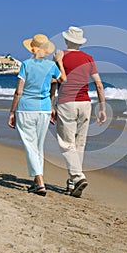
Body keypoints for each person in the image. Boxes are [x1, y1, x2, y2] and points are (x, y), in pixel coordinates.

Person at [8, 33, 66, 196]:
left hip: (26, 108)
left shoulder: (26, 64)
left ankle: (40, 182)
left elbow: (19, 91)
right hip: (44, 109)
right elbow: (64, 81)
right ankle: (36, 182)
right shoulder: (51, 66)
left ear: (33, 48)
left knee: (30, 145)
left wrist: (12, 112)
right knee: (38, 146)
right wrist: (59, 62)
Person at [53, 26, 107, 198]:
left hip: (66, 102)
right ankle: (71, 183)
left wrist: (50, 104)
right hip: (85, 103)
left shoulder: (59, 56)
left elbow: (54, 81)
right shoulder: (88, 58)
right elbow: (98, 84)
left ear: (67, 40)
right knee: (79, 144)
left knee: (66, 143)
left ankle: (78, 177)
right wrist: (103, 108)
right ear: (80, 42)